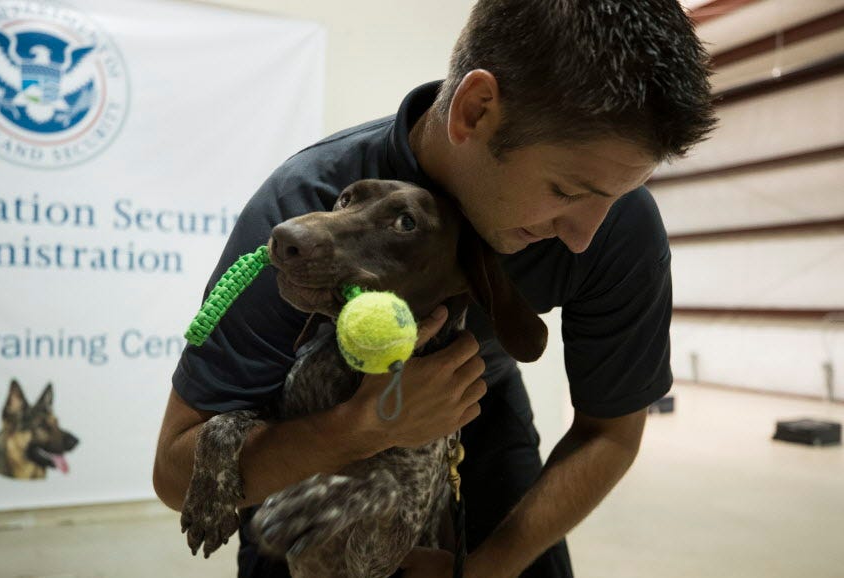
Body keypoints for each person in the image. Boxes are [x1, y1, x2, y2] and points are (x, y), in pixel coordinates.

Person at [153, 0, 716, 576]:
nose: (582, 237)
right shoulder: (304, 215)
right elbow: (175, 473)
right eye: (566, 191)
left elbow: (612, 436)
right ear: (475, 111)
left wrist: (482, 571)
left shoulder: (618, 225)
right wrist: (361, 427)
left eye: (615, 195)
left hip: (477, 403)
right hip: (307, 430)